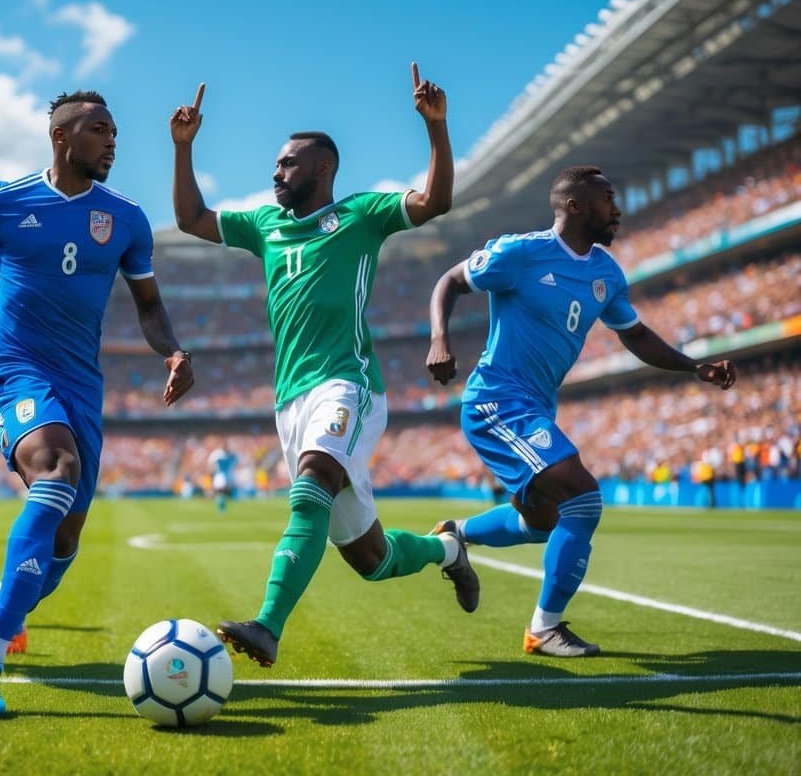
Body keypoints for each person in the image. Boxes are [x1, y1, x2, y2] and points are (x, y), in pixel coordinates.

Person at [0, 91, 194, 716]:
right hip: (15, 369)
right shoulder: (4, 202)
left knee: (66, 537)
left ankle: (7, 603)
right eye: (101, 129)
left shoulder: (124, 217)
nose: (113, 142)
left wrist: (173, 352)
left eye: (115, 131)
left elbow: (149, 306)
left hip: (81, 383)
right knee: (56, 473)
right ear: (62, 136)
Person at [170, 66, 478, 669]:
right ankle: (448, 549)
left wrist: (436, 130)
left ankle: (268, 625)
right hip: (289, 400)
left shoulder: (362, 215)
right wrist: (184, 151)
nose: (276, 172)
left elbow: (435, 202)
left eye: (287, 164)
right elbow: (191, 220)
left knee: (310, 488)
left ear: (322, 170)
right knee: (371, 559)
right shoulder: (265, 226)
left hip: (348, 382)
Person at [425, 165, 737, 657]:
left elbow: (635, 335)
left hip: (536, 409)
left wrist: (693, 367)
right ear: (574, 206)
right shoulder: (520, 253)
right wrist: (440, 339)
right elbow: (450, 280)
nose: (616, 209)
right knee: (584, 499)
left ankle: (455, 536)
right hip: (496, 400)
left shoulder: (606, 273)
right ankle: (544, 629)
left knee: (542, 522)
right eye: (607, 198)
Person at [207, 438, 237, 513]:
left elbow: (233, 463)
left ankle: (221, 505)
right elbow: (211, 464)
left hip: (225, 475)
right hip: (219, 475)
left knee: (222, 491)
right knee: (220, 491)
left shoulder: (228, 454)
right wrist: (212, 472)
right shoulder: (218, 454)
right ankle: (221, 506)